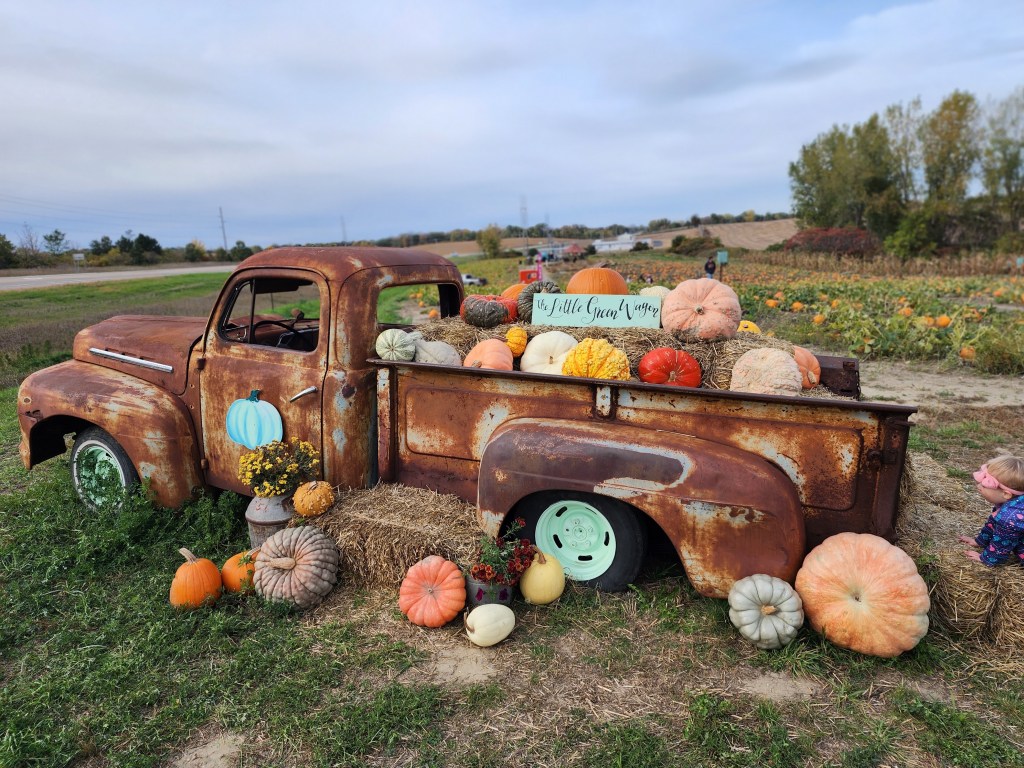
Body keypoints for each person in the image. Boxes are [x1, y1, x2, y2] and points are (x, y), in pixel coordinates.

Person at [959, 455, 1024, 566]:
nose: (978, 486)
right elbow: (993, 523)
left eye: (985, 485)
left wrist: (987, 559)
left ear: (1006, 494)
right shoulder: (1008, 504)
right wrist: (979, 541)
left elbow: (1002, 544)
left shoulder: (1011, 518)